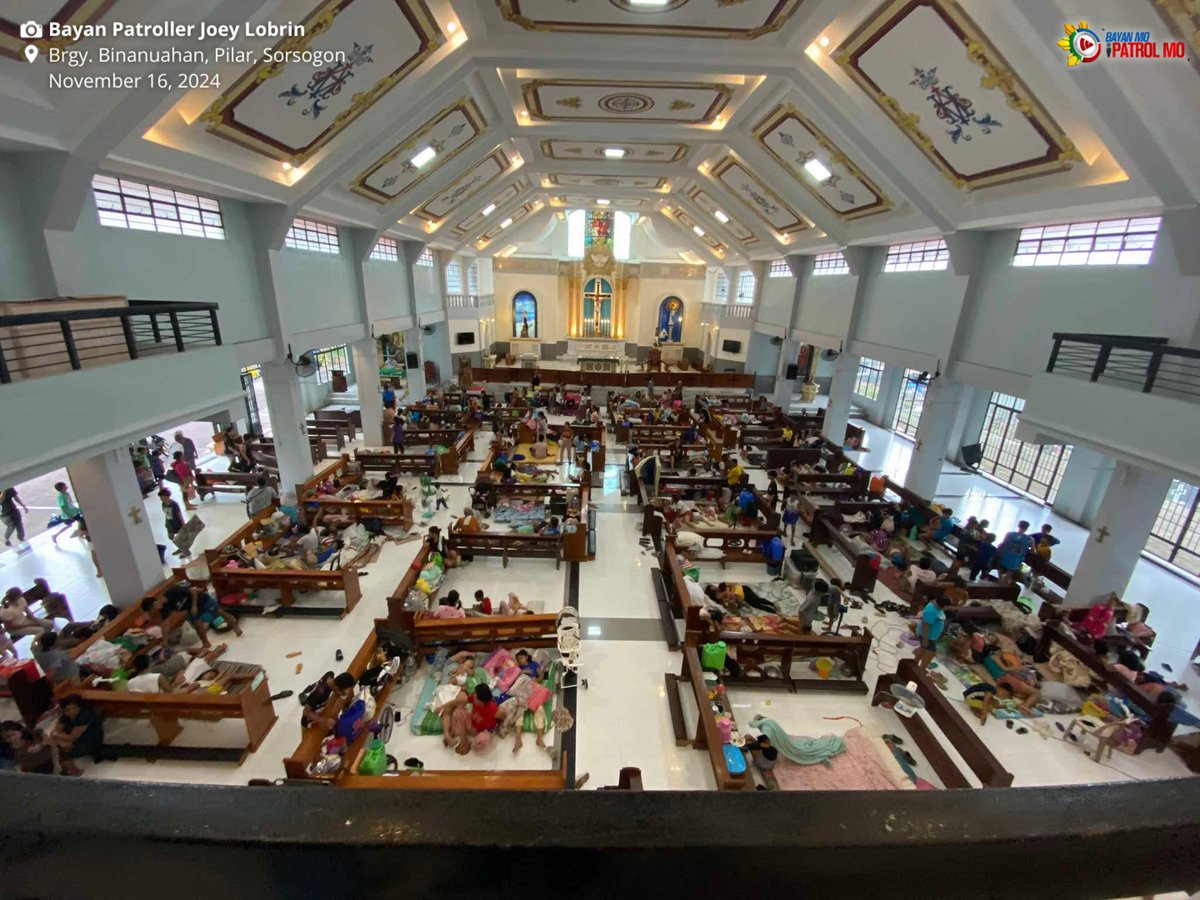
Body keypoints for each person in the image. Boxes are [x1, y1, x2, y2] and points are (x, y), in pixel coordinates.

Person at [48, 694, 105, 775]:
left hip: (89, 740)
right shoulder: (65, 716)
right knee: (57, 745)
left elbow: (72, 737)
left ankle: (69, 768)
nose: (71, 711)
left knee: (60, 748)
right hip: (69, 740)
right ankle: (67, 767)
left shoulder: (85, 716)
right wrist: (61, 741)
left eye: (74, 708)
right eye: (68, 710)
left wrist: (58, 737)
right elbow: (55, 731)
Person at [914, 593, 948, 670]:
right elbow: (925, 625)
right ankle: (921, 669)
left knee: (923, 648)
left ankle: (914, 664)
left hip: (931, 636)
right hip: (927, 636)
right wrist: (925, 639)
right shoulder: (931, 611)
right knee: (930, 654)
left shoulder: (936, 605)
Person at [2, 486, 29, 551]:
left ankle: (21, 537)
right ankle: (6, 537)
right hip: (4, 513)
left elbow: (15, 496)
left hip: (13, 509)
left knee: (19, 523)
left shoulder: (8, 487)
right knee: (11, 525)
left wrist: (23, 505)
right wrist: (4, 491)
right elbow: (0, 499)